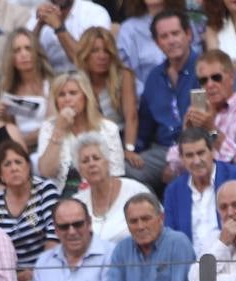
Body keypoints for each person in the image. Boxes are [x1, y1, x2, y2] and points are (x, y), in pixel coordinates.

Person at [164, 128, 236, 252]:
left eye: (201, 153)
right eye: (189, 155)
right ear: (181, 159)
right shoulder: (174, 191)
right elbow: (171, 237)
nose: (197, 161)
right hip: (192, 267)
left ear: (212, 151)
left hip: (235, 257)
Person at [166, 49, 236, 175]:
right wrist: (187, 134)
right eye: (204, 80)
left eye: (216, 78)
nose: (210, 85)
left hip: (232, 186)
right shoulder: (198, 112)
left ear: (232, 77)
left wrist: (212, 130)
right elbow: (175, 164)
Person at [130, 10, 200, 189]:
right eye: (164, 36)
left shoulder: (204, 69)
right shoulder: (154, 77)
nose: (171, 40)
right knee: (125, 170)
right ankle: (155, 213)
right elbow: (145, 126)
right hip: (162, 150)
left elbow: (216, 126)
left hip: (198, 146)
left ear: (188, 34)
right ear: (157, 42)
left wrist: (177, 161)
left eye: (175, 33)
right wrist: (132, 152)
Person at [27, 198, 113, 281]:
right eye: (64, 226)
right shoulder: (44, 261)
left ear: (89, 223)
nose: (72, 231)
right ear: (55, 229)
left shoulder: (110, 254)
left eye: (78, 224)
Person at [0, 140, 60, 281]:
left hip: (48, 270)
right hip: (11, 278)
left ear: (28, 166)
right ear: (1, 175)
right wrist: (13, 277)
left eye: (18, 162)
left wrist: (36, 272)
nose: (14, 168)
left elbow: (54, 236)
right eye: (7, 164)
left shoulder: (45, 190)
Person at [36, 70, 126, 190]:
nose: (67, 99)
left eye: (73, 93)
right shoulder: (49, 127)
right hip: (61, 199)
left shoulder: (108, 129)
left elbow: (116, 175)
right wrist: (59, 130)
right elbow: (46, 171)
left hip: (100, 195)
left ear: (86, 96)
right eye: (61, 95)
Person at [72, 133, 152, 245]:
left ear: (107, 162)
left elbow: (157, 227)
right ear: (79, 170)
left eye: (96, 158)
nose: (91, 164)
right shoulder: (77, 203)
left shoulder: (136, 191)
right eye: (85, 161)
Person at [76, 26, 139, 156]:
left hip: (118, 139)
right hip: (86, 142)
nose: (102, 56)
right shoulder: (76, 81)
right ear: (85, 54)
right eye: (95, 51)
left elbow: (131, 116)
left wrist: (129, 149)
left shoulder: (123, 75)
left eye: (107, 51)